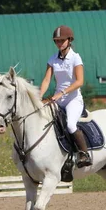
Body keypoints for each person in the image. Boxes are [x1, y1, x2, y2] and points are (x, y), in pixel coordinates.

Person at [39, 25, 92, 168]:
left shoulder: (76, 58)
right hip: (57, 99)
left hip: (73, 99)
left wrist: (62, 93)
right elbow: (46, 80)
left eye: (62, 40)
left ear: (69, 40)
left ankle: (84, 153)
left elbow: (80, 81)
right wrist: (39, 97)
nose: (59, 43)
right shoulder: (52, 59)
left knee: (70, 125)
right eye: (56, 41)